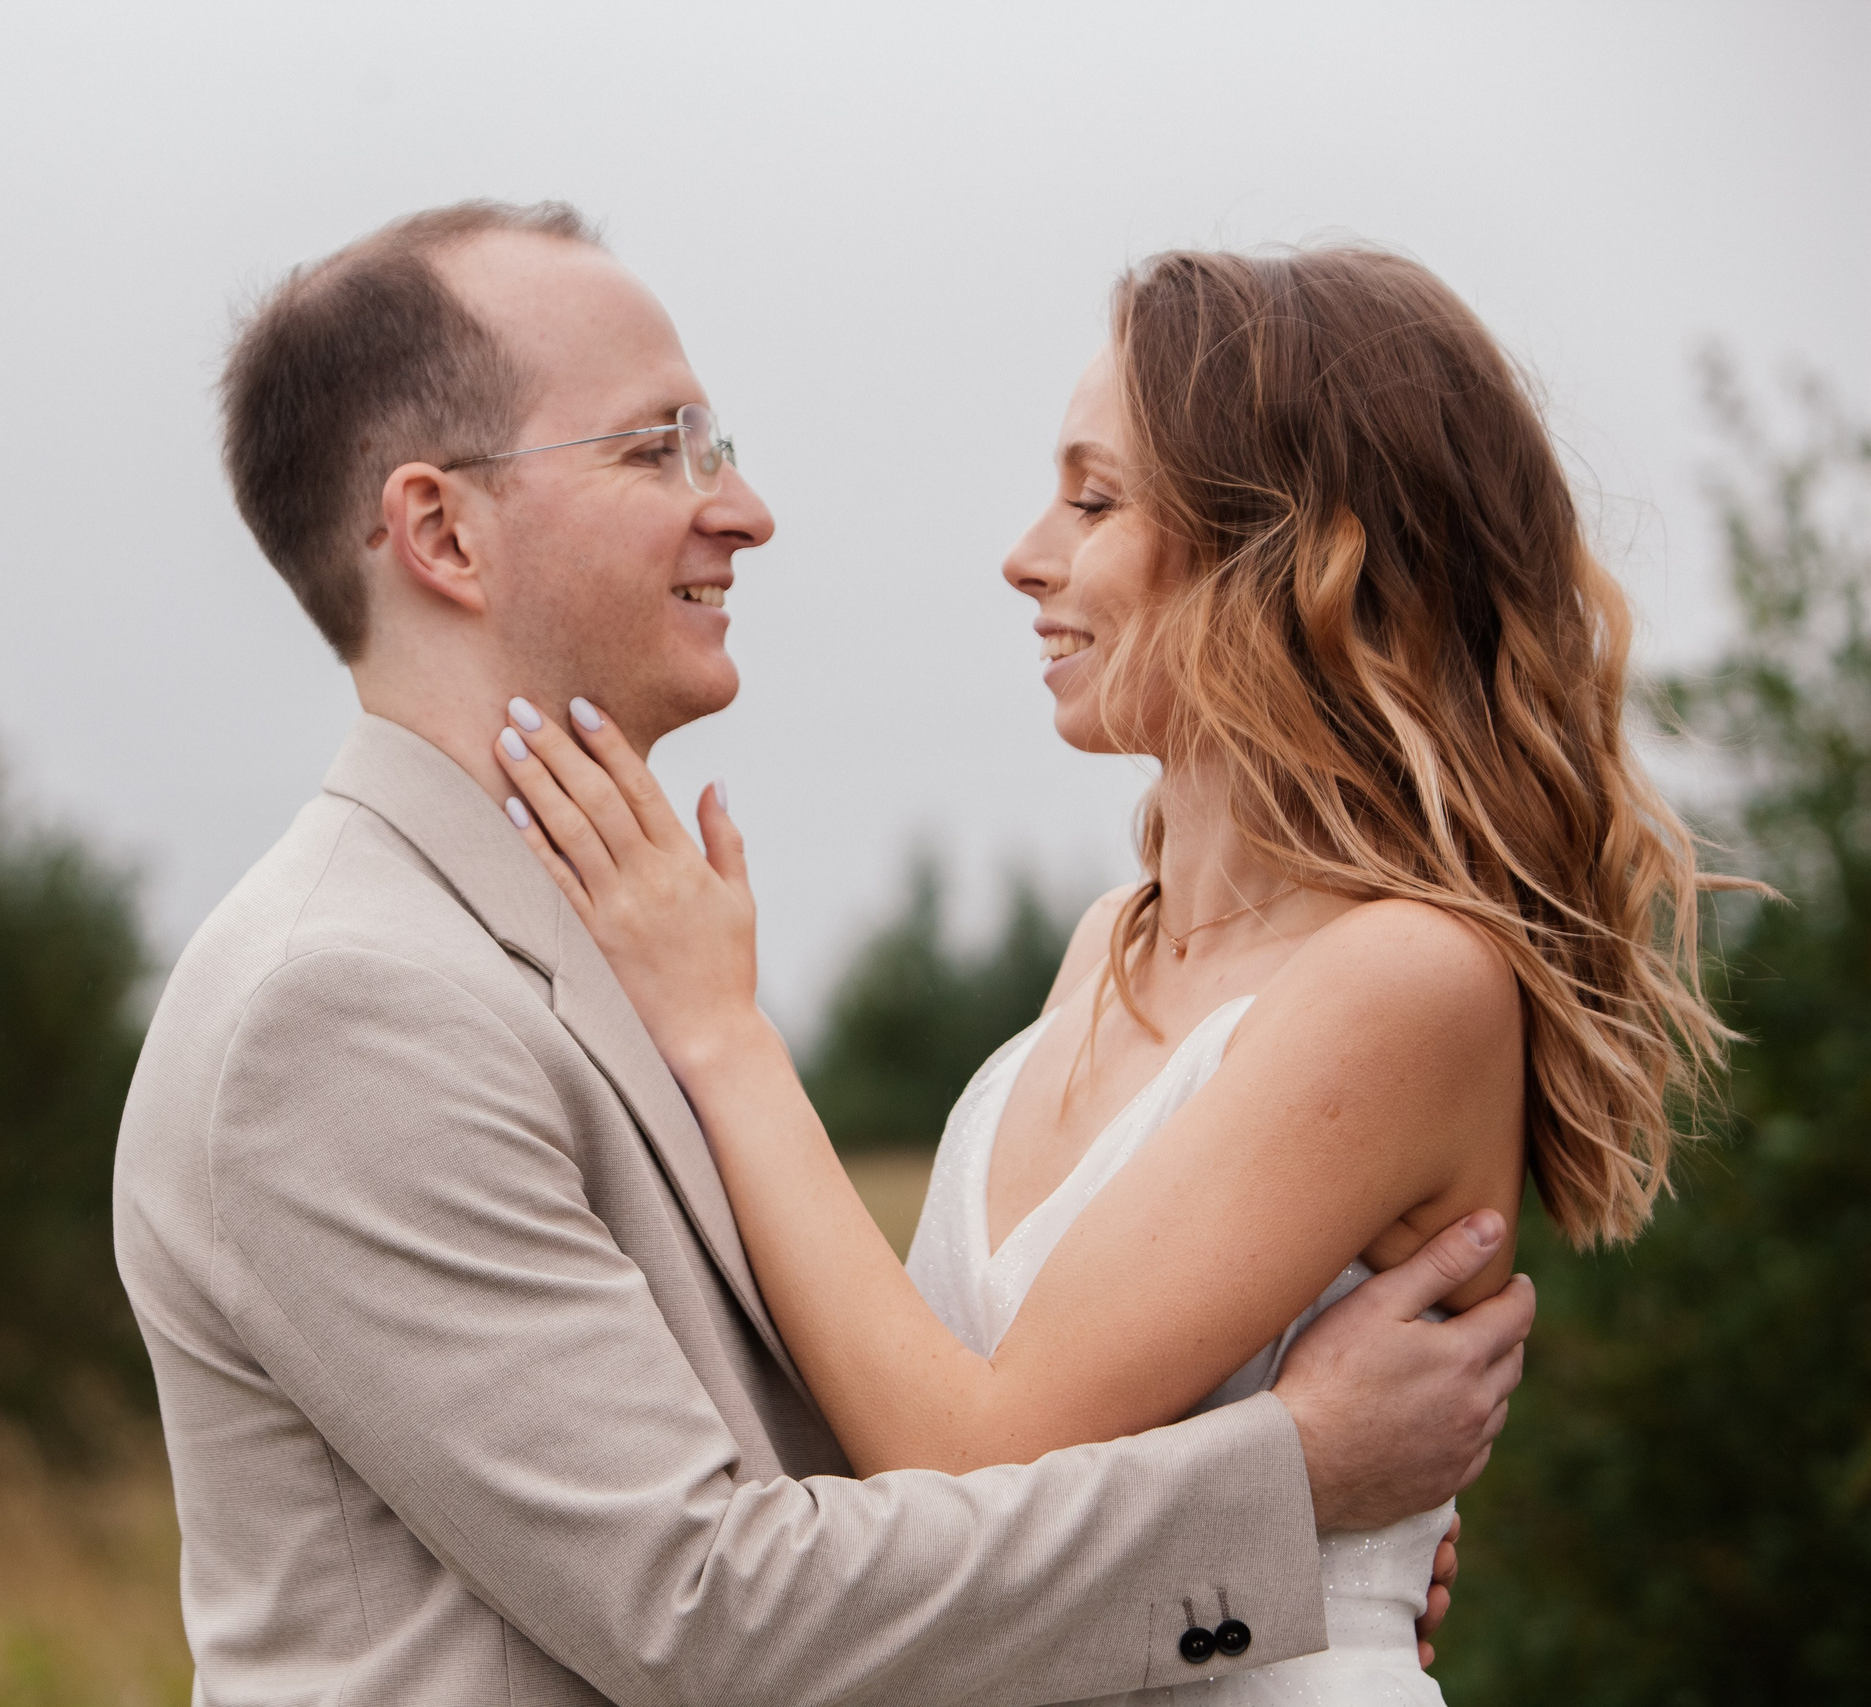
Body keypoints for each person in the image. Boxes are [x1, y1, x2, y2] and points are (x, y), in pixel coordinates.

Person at [113, 206, 1532, 1707]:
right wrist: (1281, 1497)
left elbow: (867, 1462)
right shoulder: (340, 1005)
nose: (744, 509)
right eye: (658, 448)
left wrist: (1293, 1574)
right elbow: (706, 1609)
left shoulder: (600, 944)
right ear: (444, 532)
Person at [490, 246, 1731, 1704]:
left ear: (1290, 552)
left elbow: (974, 1454)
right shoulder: (1109, 946)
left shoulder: (1408, 976)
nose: (1028, 554)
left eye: (1094, 500)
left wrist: (719, 1028)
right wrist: (1299, 1472)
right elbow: (920, 1480)